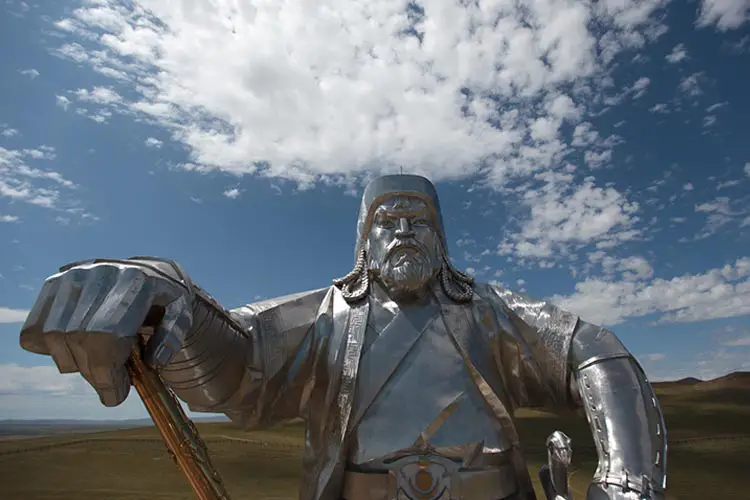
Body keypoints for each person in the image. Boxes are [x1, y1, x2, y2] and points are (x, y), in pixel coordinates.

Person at [19, 174, 667, 500]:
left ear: (442, 240)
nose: (405, 230)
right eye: (388, 220)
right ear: (363, 240)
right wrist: (168, 298)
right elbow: (238, 362)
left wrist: (628, 482)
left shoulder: (490, 314)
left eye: (420, 220)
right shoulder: (328, 319)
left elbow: (594, 351)